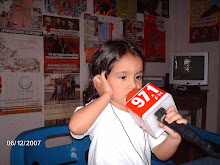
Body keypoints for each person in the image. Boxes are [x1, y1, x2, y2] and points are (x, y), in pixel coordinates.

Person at [69, 40, 187, 165]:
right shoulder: (99, 108)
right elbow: (76, 127)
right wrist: (106, 95)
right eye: (123, 77)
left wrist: (173, 138)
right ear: (101, 79)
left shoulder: (147, 110)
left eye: (138, 77)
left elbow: (161, 153)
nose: (133, 84)